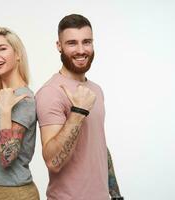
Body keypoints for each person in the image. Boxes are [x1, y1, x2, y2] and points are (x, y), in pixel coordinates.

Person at [35, 14, 123, 200]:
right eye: (72, 43)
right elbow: (53, 162)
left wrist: (115, 195)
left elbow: (99, 147)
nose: (81, 50)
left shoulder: (96, 90)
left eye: (87, 42)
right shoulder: (51, 92)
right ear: (59, 46)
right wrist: (78, 112)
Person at [0, 27, 39, 200]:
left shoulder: (24, 99)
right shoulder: (1, 97)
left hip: (14, 193)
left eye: (2, 48)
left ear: (17, 54)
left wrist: (5, 112)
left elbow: (6, 158)